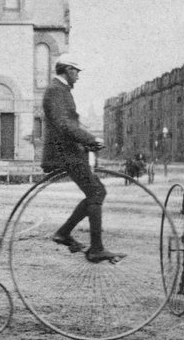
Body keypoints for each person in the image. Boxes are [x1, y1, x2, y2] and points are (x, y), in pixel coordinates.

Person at [41, 53, 126, 263]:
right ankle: (95, 248)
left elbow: (67, 124)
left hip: (69, 151)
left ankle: (64, 232)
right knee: (96, 191)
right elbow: (64, 124)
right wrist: (90, 140)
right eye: (77, 72)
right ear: (68, 70)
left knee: (95, 192)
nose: (78, 76)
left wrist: (87, 141)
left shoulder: (60, 90)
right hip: (66, 153)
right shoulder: (56, 91)